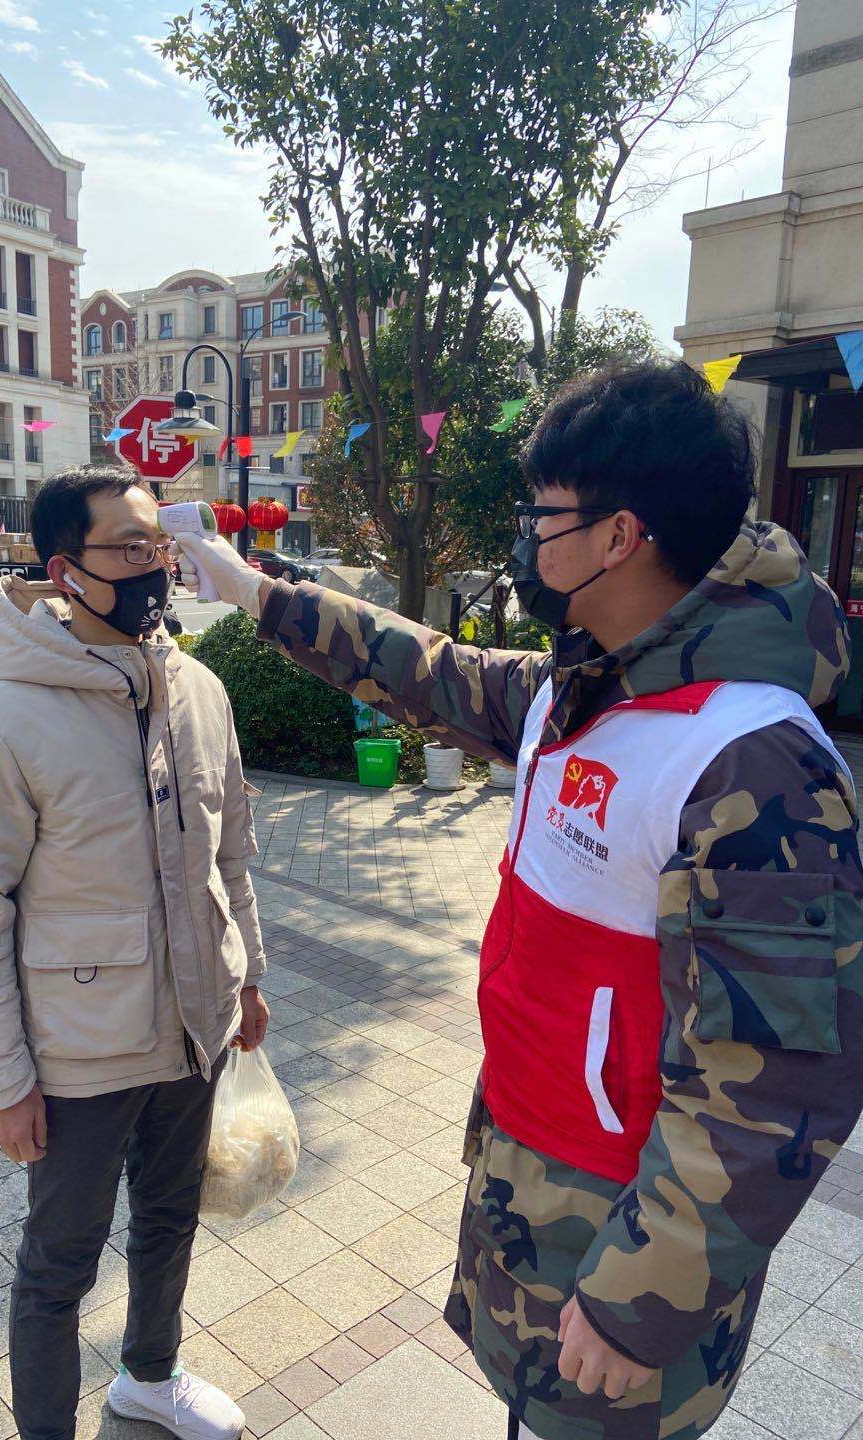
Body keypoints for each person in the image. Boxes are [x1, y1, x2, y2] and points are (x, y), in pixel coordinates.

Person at [177, 360, 863, 1440]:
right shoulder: (586, 687)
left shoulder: (752, 762)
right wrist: (251, 589)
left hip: (623, 1235)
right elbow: (428, 669)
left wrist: (639, 1303)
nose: (524, 537)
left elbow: (774, 1086)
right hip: (533, 1177)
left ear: (620, 536)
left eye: (543, 512)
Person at [0, 465, 268, 1440]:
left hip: (196, 1027)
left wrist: (248, 980)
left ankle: (150, 1377)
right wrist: (1, 1080)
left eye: (160, 544)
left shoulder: (200, 689)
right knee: (59, 1265)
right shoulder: (2, 718)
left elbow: (230, 853)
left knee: (171, 1215)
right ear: (68, 570)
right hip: (80, 1054)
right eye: (129, 547)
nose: (155, 564)